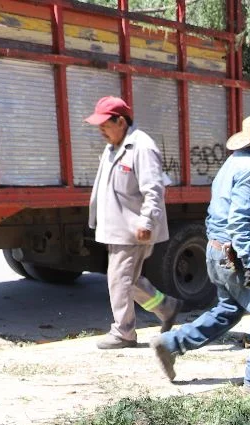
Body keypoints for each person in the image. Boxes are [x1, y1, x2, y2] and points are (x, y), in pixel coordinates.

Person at [152, 114, 250, 391]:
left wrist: (219, 248)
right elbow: (239, 220)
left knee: (228, 310)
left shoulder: (233, 163)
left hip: (218, 250)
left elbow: (218, 212)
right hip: (238, 255)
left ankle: (171, 344)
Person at [85, 95, 180, 350]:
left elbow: (154, 189)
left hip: (132, 229)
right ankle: (165, 307)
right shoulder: (114, 147)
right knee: (129, 279)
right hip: (115, 227)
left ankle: (123, 332)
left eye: (105, 124)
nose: (101, 130)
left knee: (119, 279)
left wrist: (147, 222)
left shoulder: (142, 147)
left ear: (121, 121)